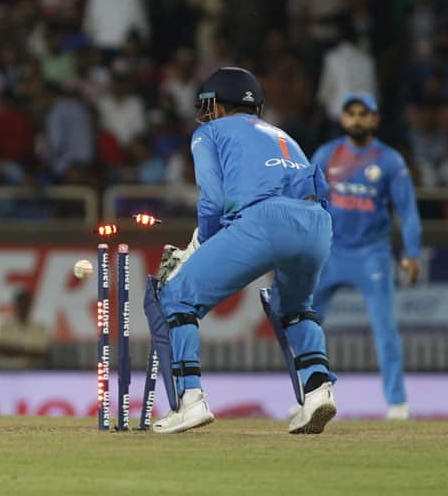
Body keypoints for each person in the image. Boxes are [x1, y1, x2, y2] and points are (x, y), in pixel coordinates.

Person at [144, 67, 337, 434]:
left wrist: (198, 246)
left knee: (178, 296)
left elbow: (213, 201)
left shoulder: (209, 132)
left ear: (216, 105)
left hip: (266, 220)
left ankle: (190, 400)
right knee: (294, 308)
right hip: (318, 223)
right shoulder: (284, 135)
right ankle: (317, 390)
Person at [310, 92, 422, 420]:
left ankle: (397, 403)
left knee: (385, 329)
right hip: (330, 252)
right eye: (351, 113)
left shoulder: (389, 161)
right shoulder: (327, 155)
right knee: (306, 326)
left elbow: (408, 212)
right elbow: (304, 199)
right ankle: (310, 397)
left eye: (364, 114)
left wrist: (412, 253)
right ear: (343, 119)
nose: (356, 119)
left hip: (371, 254)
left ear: (374, 119)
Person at [0, 291, 49, 370]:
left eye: (26, 305)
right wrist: (28, 352)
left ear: (30, 306)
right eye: (21, 304)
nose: (23, 307)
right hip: (5, 372)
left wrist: (14, 350)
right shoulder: (5, 327)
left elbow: (41, 354)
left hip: (32, 373)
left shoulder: (40, 328)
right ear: (16, 306)